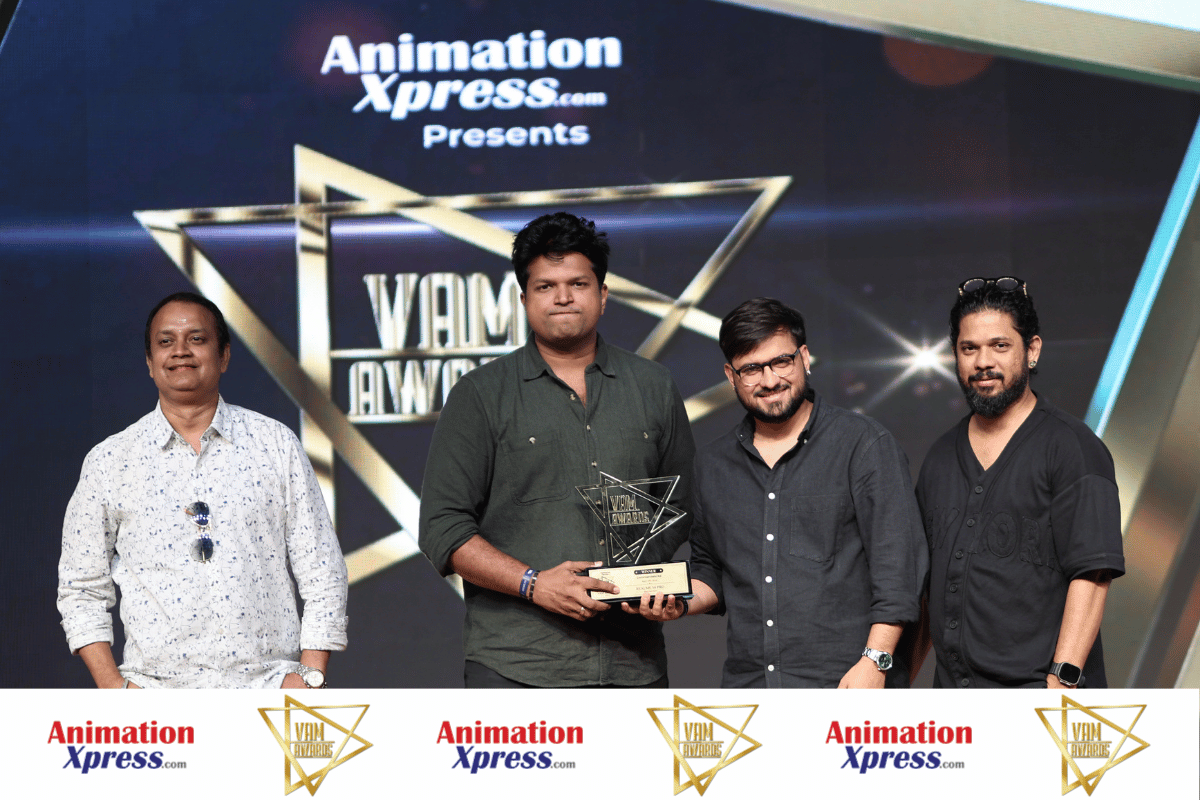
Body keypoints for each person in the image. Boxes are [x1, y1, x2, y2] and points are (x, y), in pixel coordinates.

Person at [419, 212, 695, 688]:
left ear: (603, 295)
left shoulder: (654, 386)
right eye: (545, 286)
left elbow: (680, 507)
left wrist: (646, 582)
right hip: (516, 667)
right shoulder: (480, 394)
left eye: (578, 284)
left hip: (634, 666)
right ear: (524, 300)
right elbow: (443, 527)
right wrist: (533, 583)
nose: (563, 297)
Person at [628, 297, 927, 688]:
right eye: (751, 369)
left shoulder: (864, 445)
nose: (769, 381)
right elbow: (710, 571)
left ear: (804, 357)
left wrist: (876, 661)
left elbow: (899, 569)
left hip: (847, 685)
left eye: (781, 362)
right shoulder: (713, 464)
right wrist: (674, 602)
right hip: (751, 687)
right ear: (731, 375)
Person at [57, 292, 348, 689]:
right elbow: (80, 588)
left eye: (196, 339)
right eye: (165, 341)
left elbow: (322, 568)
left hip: (268, 690)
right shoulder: (110, 461)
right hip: (156, 696)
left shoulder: (275, 444)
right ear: (149, 362)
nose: (180, 351)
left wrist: (309, 676)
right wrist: (114, 689)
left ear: (224, 356)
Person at [914, 277, 1124, 688]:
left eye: (1000, 346)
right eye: (969, 348)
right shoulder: (939, 459)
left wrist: (1061, 681)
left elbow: (1093, 574)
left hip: (1042, 698)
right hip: (954, 704)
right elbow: (925, 591)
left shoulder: (1073, 447)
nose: (983, 362)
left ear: (1032, 351)